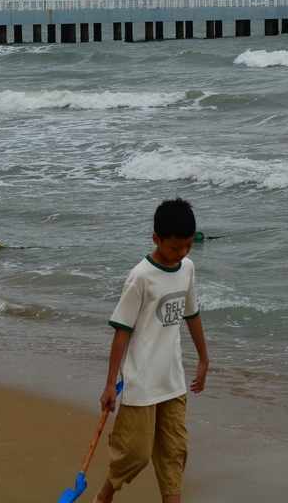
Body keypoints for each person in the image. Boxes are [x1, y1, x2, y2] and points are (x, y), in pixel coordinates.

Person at [94, 198, 209, 503]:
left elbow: (192, 314)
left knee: (174, 453)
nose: (182, 253)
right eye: (175, 247)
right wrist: (110, 383)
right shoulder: (140, 276)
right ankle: (103, 496)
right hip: (141, 380)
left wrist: (204, 359)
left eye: (188, 246)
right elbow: (122, 331)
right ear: (156, 239)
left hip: (172, 380)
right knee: (135, 453)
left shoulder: (187, 269)